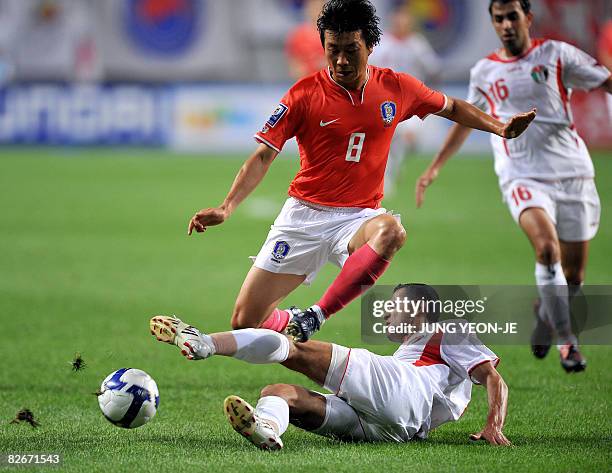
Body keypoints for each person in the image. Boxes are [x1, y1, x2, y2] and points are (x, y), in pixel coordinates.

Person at [187, 0, 536, 344]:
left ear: (370, 46)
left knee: (391, 231)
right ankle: (289, 320)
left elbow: (452, 106)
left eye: (351, 49)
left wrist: (499, 127)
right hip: (304, 217)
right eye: (332, 49)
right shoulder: (303, 94)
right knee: (245, 321)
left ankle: (316, 314)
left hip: (358, 217)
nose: (340, 60)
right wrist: (227, 206)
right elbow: (263, 156)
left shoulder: (396, 88)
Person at [415, 0, 612, 373]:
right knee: (546, 249)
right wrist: (435, 166)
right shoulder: (485, 71)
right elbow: (465, 119)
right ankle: (568, 343)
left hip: (572, 172)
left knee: (573, 277)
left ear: (528, 18)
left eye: (512, 17)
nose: (506, 24)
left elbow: (604, 80)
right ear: (493, 23)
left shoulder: (556, 55)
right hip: (521, 173)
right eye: (498, 18)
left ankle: (546, 311)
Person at [150, 283, 509, 449]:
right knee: (276, 393)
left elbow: (492, 376)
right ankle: (268, 429)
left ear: (420, 311)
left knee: (294, 350)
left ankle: (202, 343)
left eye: (395, 306)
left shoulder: (446, 332)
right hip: (394, 430)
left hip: (402, 391)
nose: (387, 313)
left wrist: (493, 425)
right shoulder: (413, 352)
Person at [369, 3, 442, 195]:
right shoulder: (381, 44)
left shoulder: (418, 45)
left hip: (413, 103)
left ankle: (393, 167)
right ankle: (387, 178)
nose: (401, 21)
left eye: (405, 17)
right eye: (398, 17)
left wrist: (429, 96)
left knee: (409, 140)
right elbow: (368, 69)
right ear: (393, 19)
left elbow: (434, 70)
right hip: (386, 103)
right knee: (390, 138)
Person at [285, 0, 327, 80]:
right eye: (313, 7)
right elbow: (294, 68)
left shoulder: (336, 34)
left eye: (319, 7)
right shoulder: (298, 36)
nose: (316, 10)